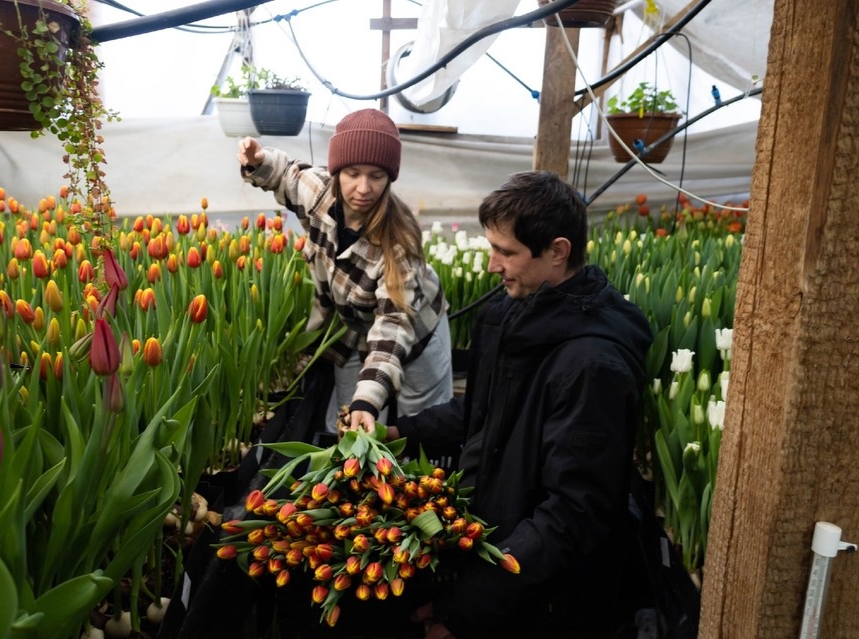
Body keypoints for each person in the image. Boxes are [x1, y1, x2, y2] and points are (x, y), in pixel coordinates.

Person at [380, 170, 655, 638]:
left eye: (505, 252)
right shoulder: (514, 314)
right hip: (497, 555)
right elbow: (481, 416)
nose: (492, 266)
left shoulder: (591, 367)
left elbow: (570, 518)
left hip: (542, 600)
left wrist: (467, 610)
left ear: (558, 251)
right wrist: (398, 433)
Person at [237, 108, 453, 435]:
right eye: (353, 173)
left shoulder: (398, 243)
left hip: (417, 328)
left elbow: (393, 326)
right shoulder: (319, 194)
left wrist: (367, 401)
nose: (363, 188)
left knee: (418, 418)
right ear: (337, 171)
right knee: (346, 420)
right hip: (353, 326)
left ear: (390, 178)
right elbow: (284, 174)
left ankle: (408, 466)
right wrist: (257, 159)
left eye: (376, 176)